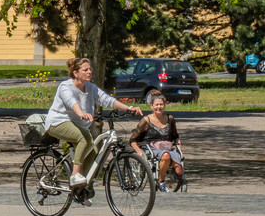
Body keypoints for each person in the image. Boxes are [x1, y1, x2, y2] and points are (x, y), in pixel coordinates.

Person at [46, 57, 142, 187]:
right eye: (85, 70)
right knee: (84, 138)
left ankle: (81, 185)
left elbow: (107, 100)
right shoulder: (65, 87)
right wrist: (82, 114)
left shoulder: (90, 87)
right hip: (58, 122)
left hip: (77, 124)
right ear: (75, 73)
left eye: (90, 69)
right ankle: (75, 174)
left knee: (94, 149)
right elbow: (72, 102)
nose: (89, 72)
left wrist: (129, 108)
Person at [130, 90, 184, 190]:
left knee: (178, 167)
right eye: (156, 105)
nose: (159, 107)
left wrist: (180, 150)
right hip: (151, 148)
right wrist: (139, 151)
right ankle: (161, 181)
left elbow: (175, 137)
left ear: (164, 105)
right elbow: (133, 139)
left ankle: (175, 176)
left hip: (168, 148)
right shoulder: (146, 120)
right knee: (166, 156)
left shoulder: (170, 119)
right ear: (151, 106)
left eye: (161, 104)